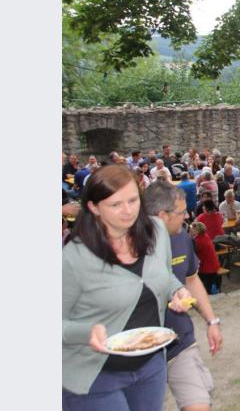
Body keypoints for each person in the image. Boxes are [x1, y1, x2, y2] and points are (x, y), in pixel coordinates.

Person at [63, 165, 192, 409]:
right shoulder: (72, 258)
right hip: (94, 374)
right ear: (93, 207)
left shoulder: (156, 231)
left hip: (151, 365)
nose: (128, 211)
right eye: (116, 204)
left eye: (133, 200)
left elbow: (163, 276)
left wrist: (176, 291)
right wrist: (85, 332)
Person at [144, 181, 223, 411]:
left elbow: (191, 278)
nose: (188, 215)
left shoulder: (182, 238)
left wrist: (212, 321)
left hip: (179, 342)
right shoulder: (132, 244)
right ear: (162, 215)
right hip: (143, 349)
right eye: (181, 212)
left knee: (200, 404)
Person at [189, 222, 222, 293]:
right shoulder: (204, 236)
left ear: (197, 231)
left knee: (193, 277)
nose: (190, 230)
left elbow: (190, 252)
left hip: (207, 267)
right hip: (213, 265)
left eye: (192, 229)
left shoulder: (198, 241)